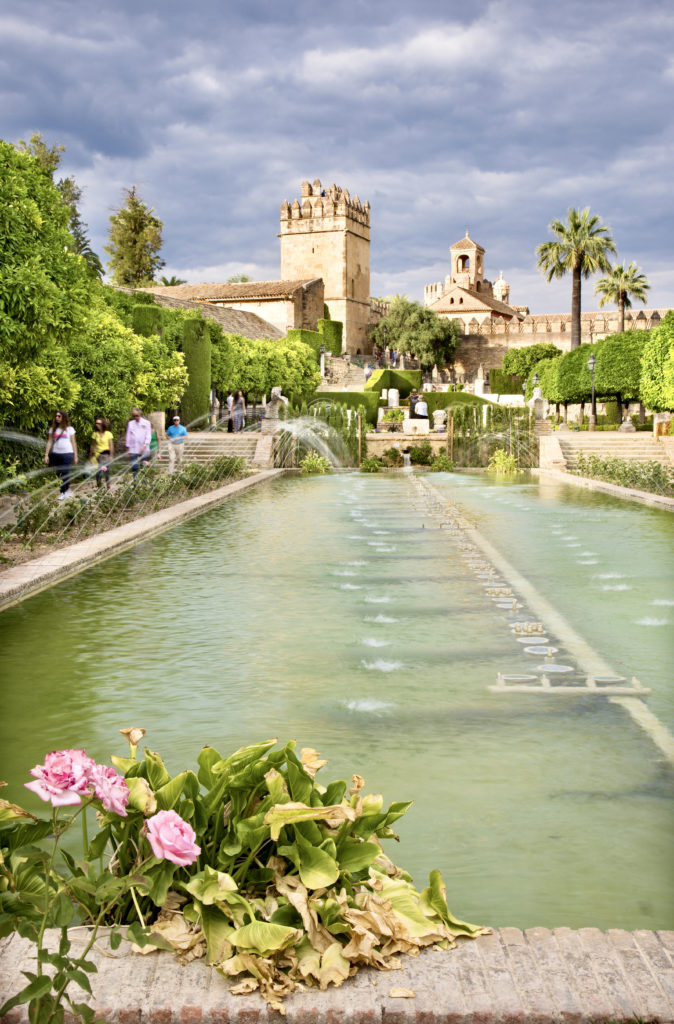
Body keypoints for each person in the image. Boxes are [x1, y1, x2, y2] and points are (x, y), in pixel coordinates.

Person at [45, 411, 78, 500]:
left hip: (68, 453)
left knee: (65, 472)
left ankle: (65, 491)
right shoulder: (53, 429)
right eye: (56, 416)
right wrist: (46, 454)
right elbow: (50, 441)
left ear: (63, 417)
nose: (57, 417)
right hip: (56, 454)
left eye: (59, 416)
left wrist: (75, 455)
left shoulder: (69, 429)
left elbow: (73, 442)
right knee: (59, 473)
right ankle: (63, 491)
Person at [125, 408, 151, 480]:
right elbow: (128, 436)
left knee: (143, 467)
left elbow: (148, 435)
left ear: (140, 414)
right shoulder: (130, 423)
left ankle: (144, 484)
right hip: (133, 448)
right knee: (134, 467)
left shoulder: (146, 423)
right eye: (134, 416)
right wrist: (127, 448)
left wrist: (145, 445)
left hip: (144, 448)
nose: (135, 417)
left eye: (137, 415)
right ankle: (136, 483)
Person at [89, 417, 114, 490]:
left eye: (99, 423)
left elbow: (111, 445)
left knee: (106, 470)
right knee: (98, 471)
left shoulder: (108, 434)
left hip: (105, 454)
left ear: (103, 424)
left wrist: (111, 455)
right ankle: (99, 485)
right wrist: (91, 454)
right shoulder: (95, 434)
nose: (97, 425)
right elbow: (92, 444)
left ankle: (108, 485)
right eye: (96, 423)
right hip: (97, 455)